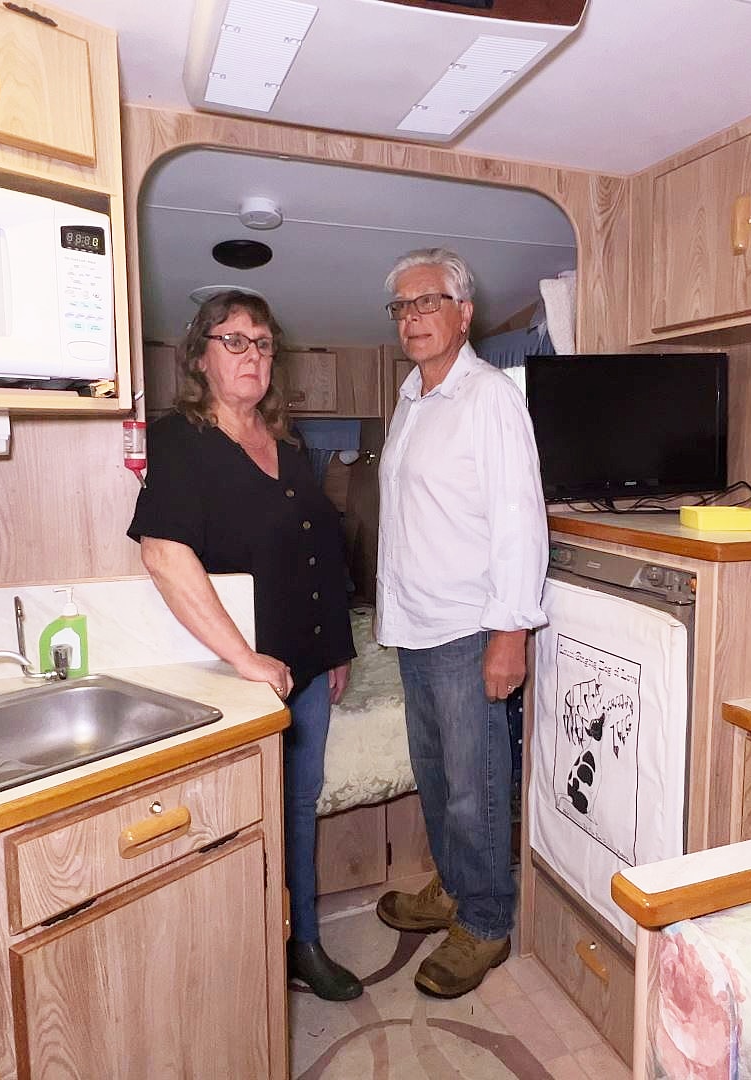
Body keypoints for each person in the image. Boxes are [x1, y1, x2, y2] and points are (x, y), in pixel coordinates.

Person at [127, 290, 363, 1001]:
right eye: (234, 341)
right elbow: (165, 555)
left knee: (299, 804)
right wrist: (243, 659)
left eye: (261, 342)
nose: (251, 354)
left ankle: (303, 944)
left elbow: (320, 553)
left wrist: (340, 646)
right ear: (200, 357)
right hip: (249, 675)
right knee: (251, 815)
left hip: (312, 665)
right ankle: (250, 953)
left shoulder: (289, 448)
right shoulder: (180, 442)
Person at [373, 248, 548, 998]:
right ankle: (452, 886)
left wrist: (509, 633)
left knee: (477, 785)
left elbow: (520, 520)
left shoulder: (491, 399)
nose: (414, 317)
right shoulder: (411, 396)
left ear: (463, 313)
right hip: (414, 624)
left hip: (469, 625)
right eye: (403, 307)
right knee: (438, 778)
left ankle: (484, 920)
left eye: (428, 302)